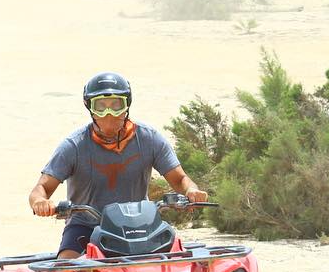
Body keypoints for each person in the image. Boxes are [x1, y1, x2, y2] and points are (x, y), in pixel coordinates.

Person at [27, 72, 206, 258]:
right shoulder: (74, 146)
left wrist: (191, 191)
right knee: (65, 270)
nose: (109, 113)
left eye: (116, 105)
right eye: (101, 106)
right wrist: (40, 202)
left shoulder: (149, 139)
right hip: (86, 226)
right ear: (90, 108)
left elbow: (180, 179)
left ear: (127, 104)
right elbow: (41, 187)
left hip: (142, 226)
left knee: (176, 265)